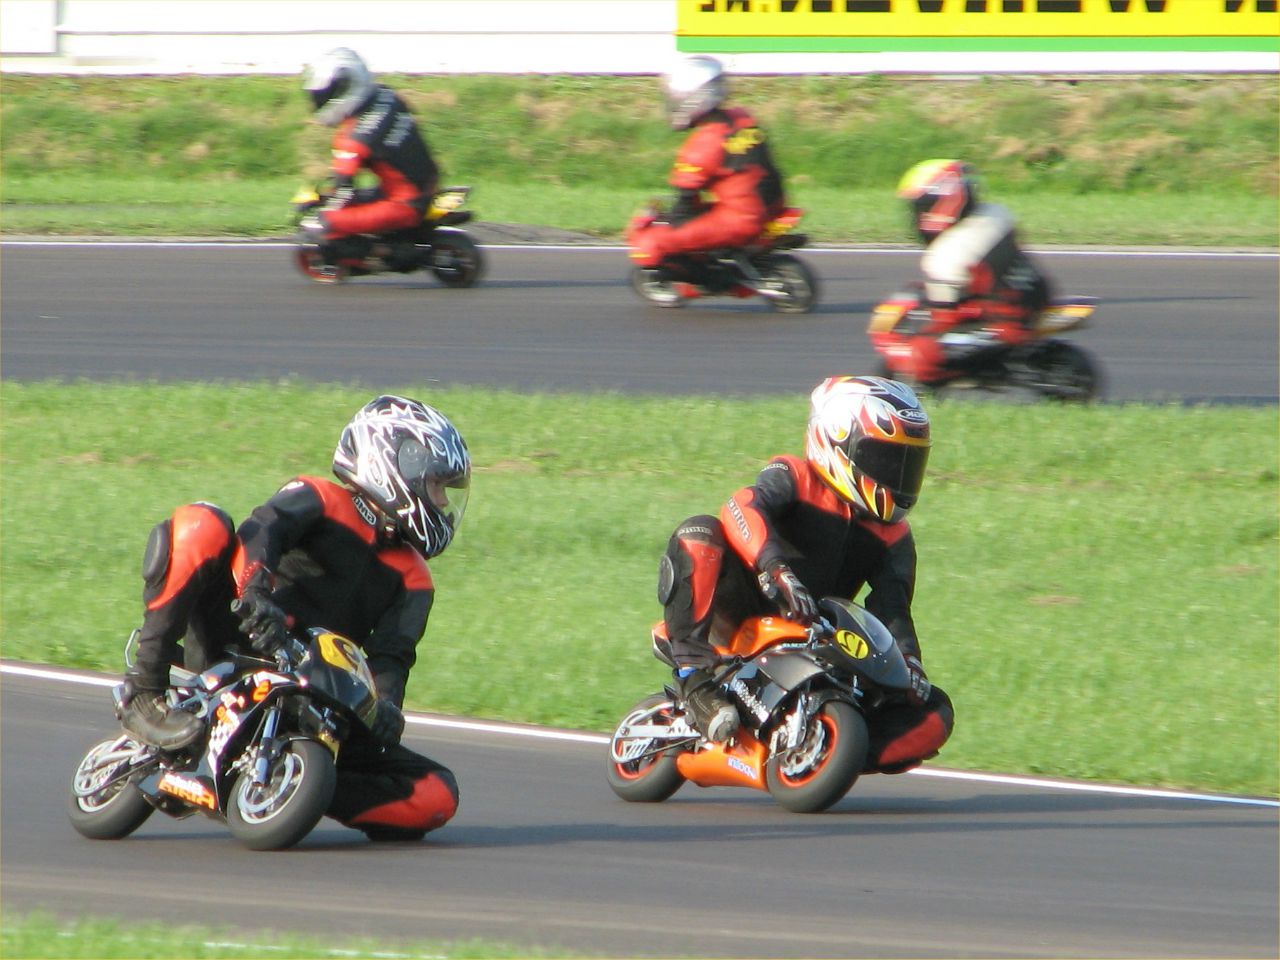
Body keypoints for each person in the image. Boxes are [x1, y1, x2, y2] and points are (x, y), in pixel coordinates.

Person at [116, 395, 471, 841]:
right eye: (438, 486)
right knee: (201, 523)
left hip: (314, 690)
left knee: (436, 794)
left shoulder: (416, 578)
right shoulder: (321, 497)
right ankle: (145, 692)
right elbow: (263, 531)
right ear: (396, 464)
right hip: (236, 632)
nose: (441, 503)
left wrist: (388, 709)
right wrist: (255, 593)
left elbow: (393, 657)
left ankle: (294, 784)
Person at [656, 375, 953, 774]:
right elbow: (741, 507)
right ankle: (694, 681)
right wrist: (776, 569)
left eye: (908, 463)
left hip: (819, 633)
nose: (899, 477)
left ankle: (827, 750)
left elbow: (893, 607)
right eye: (886, 459)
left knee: (935, 710)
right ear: (837, 440)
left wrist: (910, 664)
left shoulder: (894, 535)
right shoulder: (795, 476)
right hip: (747, 603)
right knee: (698, 532)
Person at [895, 158, 1053, 383]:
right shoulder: (996, 213)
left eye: (920, 207)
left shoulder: (946, 253)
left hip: (1006, 322)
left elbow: (943, 310)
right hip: (1036, 293)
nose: (917, 216)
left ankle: (962, 384)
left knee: (923, 353)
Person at [629, 55, 786, 274]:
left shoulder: (705, 142)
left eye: (677, 98)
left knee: (655, 242)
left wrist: (671, 222)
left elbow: (685, 197)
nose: (674, 103)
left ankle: (706, 280)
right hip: (772, 205)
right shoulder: (742, 119)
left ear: (695, 98)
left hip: (740, 219)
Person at [299, 48, 440, 247]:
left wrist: (324, 205)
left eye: (323, 96)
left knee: (326, 223)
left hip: (405, 203)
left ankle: (376, 256)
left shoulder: (353, 139)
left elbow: (343, 187)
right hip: (428, 180)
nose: (319, 103)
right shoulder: (387, 95)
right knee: (358, 199)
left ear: (344, 88)